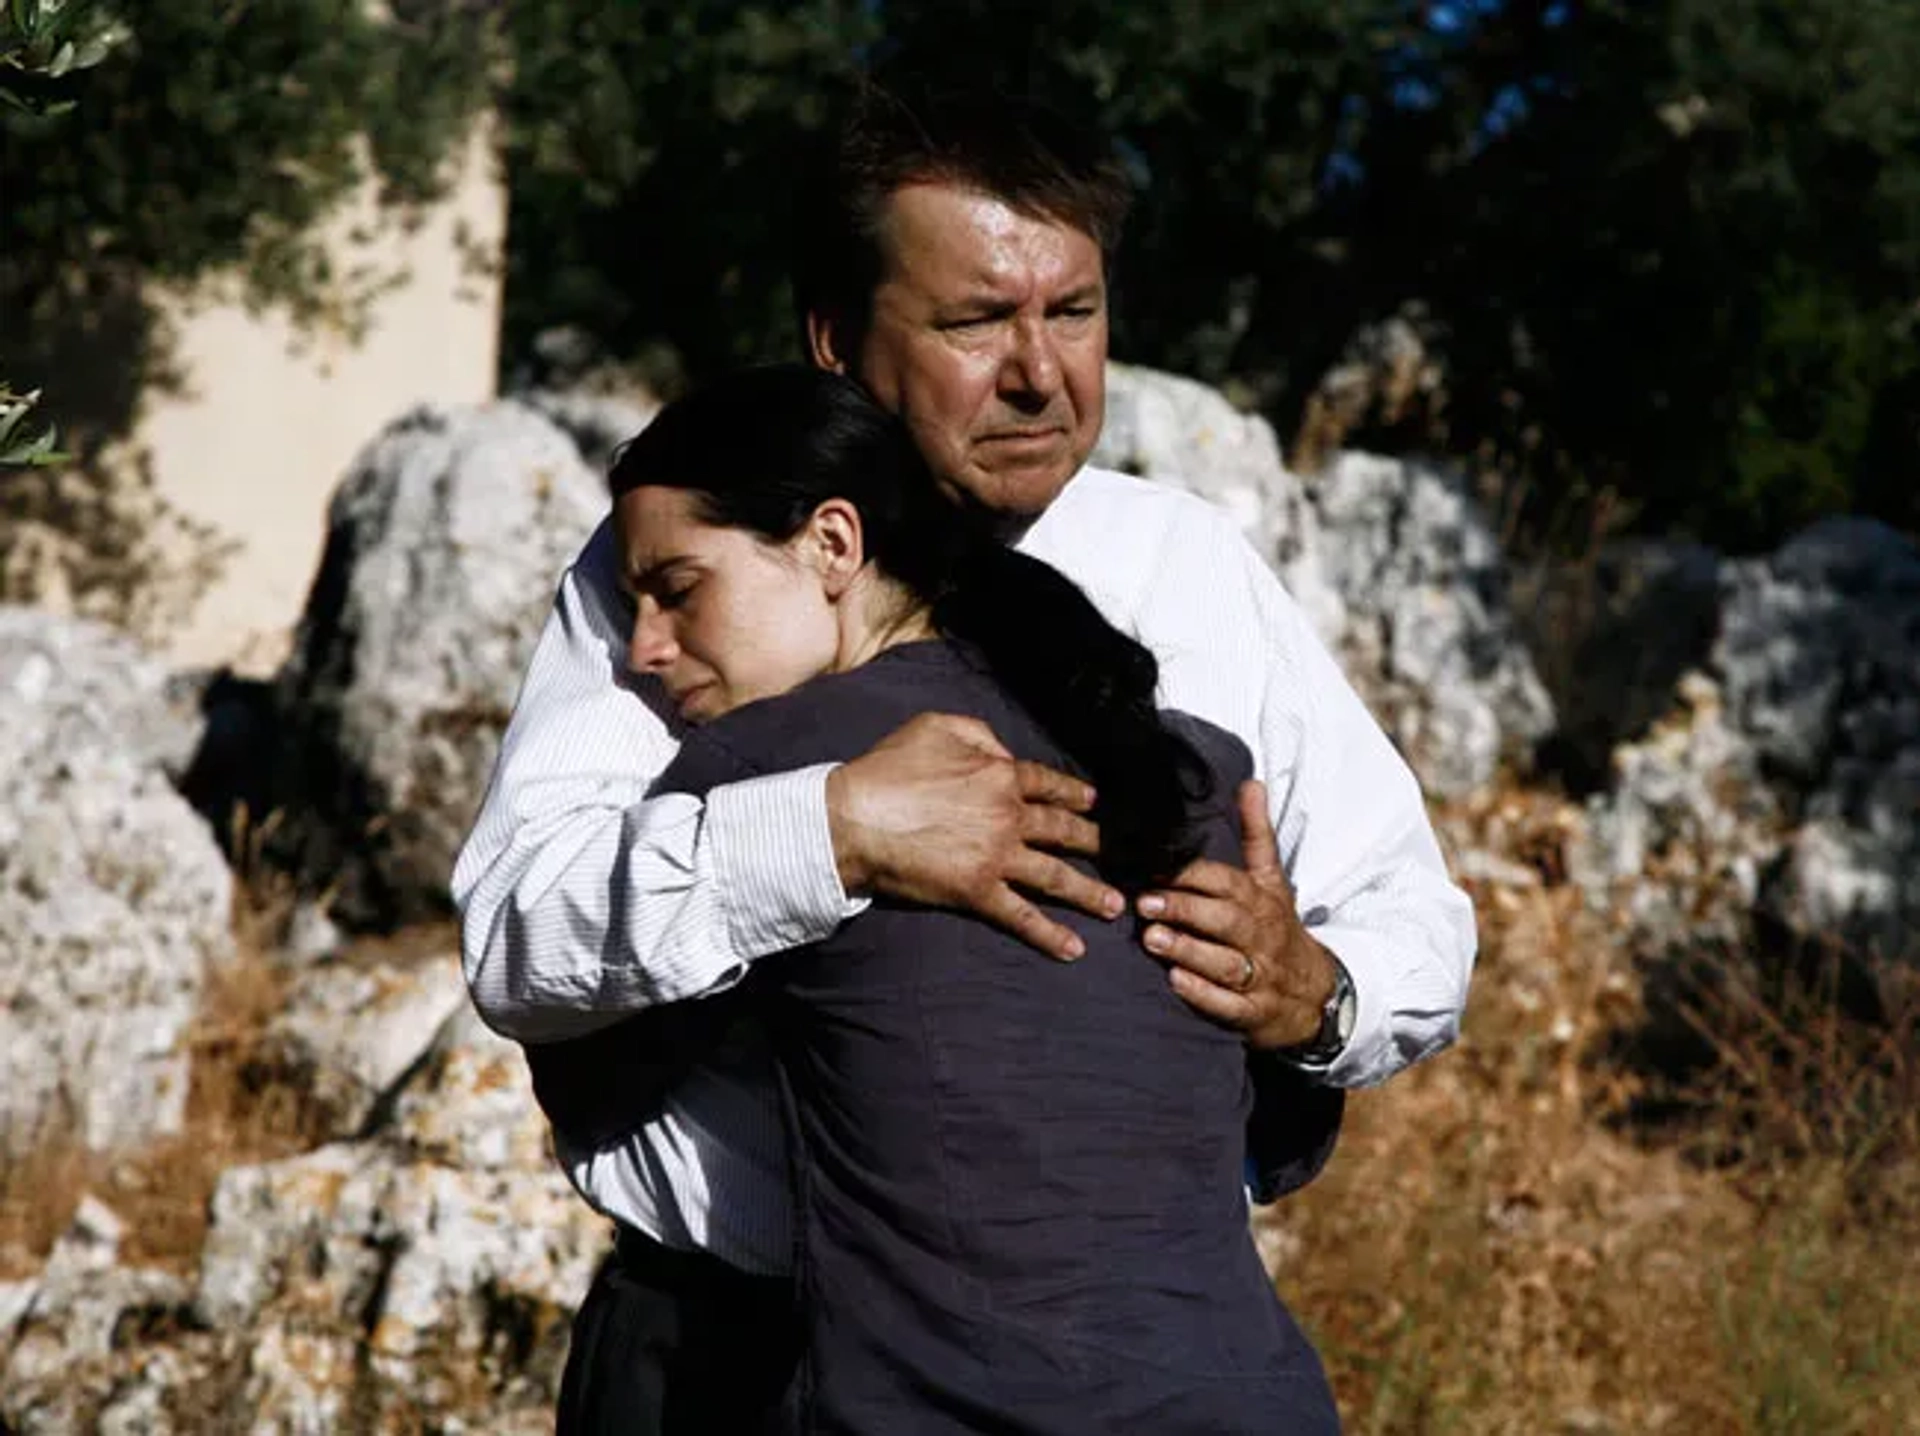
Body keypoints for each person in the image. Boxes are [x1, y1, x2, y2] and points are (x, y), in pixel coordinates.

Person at [455, 81, 1474, 1431]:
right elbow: (522, 939)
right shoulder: (686, 586)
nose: (1041, 372)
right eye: (976, 321)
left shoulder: (1182, 568)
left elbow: (1417, 926)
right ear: (836, 340)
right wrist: (828, 833)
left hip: (1133, 1365)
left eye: (1075, 312)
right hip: (725, 1363)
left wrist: (1317, 995)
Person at [557, 363, 1341, 1432]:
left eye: (678, 589)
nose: (645, 649)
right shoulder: (1193, 765)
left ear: (833, 544)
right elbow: (1284, 1133)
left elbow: (591, 1058)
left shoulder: (765, 761)